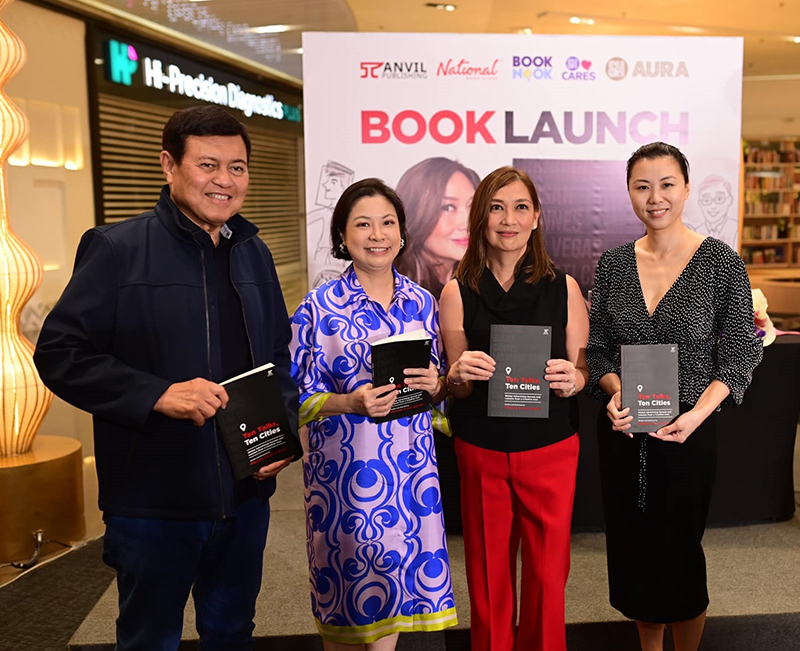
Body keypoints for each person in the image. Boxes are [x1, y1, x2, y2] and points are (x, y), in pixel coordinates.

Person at [33, 105, 299, 651]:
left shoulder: (254, 253)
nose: (224, 180)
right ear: (168, 165)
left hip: (245, 494)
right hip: (154, 501)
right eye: (208, 164)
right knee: (150, 639)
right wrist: (155, 393)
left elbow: (279, 360)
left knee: (232, 634)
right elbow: (59, 353)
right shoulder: (116, 249)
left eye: (238, 167)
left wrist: (282, 434)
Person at [586, 142, 763, 651]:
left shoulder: (720, 262)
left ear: (685, 188)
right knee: (632, 549)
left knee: (679, 551)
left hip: (688, 432)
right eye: (642, 186)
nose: (654, 197)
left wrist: (699, 415)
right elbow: (599, 352)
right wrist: (615, 394)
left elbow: (739, 352)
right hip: (623, 433)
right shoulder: (614, 264)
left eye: (666, 184)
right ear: (629, 193)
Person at [290, 178, 457, 650]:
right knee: (347, 607)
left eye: (388, 223)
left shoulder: (423, 303)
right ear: (343, 235)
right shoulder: (317, 309)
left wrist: (436, 384)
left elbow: (440, 387)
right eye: (363, 224)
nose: (377, 234)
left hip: (412, 479)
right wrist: (349, 401)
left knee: (400, 601)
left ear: (403, 234)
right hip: (346, 482)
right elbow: (295, 397)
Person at [439, 166, 589, 651]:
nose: (509, 219)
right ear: (481, 218)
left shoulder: (563, 287)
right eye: (497, 208)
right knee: (488, 582)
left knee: (547, 578)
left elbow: (581, 368)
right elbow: (454, 387)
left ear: (537, 216)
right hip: (481, 447)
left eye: (520, 207)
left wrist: (575, 379)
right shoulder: (456, 290)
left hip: (549, 448)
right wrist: (457, 375)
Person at [395, 157, 480, 299]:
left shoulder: (484, 286)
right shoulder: (390, 292)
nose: (467, 223)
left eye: (473, 206)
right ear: (415, 213)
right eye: (448, 207)